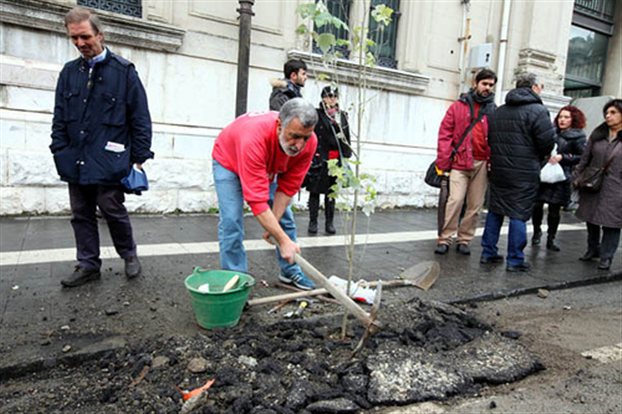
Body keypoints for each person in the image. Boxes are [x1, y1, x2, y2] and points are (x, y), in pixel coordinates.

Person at [50, 7, 153, 287]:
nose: (80, 43)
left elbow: (140, 118)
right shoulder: (69, 72)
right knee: (80, 213)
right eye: (74, 39)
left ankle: (129, 255)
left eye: (85, 37)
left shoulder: (124, 72)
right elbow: (59, 115)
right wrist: (58, 148)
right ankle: (88, 265)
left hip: (110, 158)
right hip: (76, 157)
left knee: (111, 207)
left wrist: (139, 159)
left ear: (100, 34)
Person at [212, 98, 319, 290]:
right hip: (229, 161)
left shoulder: (309, 144)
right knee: (231, 221)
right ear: (279, 126)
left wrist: (274, 228)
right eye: (294, 136)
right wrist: (283, 240)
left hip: (267, 162)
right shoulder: (254, 137)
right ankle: (236, 279)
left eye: (305, 138)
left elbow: (287, 188)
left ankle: (289, 271)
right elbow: (257, 201)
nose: (299, 145)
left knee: (285, 219)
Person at [480, 73, 555, 272]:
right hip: (524, 172)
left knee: (495, 211)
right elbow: (546, 142)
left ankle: (488, 253)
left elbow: (492, 139)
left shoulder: (499, 111)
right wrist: (539, 158)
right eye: (541, 86)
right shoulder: (538, 111)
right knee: (518, 214)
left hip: (499, 170)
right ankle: (515, 259)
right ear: (534, 87)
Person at [434, 69, 497, 255]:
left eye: (491, 85)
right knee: (455, 200)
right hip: (459, 162)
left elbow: (495, 137)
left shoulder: (493, 110)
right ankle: (445, 237)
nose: (488, 88)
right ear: (475, 83)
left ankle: (465, 239)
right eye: (485, 83)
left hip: (482, 162)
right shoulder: (457, 106)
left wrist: (493, 160)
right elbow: (444, 134)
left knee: (475, 205)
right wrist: (444, 161)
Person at [574, 99, 622, 271]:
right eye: (607, 113)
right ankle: (592, 249)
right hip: (593, 183)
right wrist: (577, 177)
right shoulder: (598, 134)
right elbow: (584, 158)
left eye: (613, 113)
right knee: (591, 218)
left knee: (612, 223)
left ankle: (606, 256)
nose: (608, 116)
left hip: (617, 187)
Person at [532, 106, 587, 251]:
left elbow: (583, 156)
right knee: (536, 205)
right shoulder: (550, 132)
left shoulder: (578, 137)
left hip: (561, 176)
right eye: (561, 117)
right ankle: (536, 232)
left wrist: (564, 157)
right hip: (544, 172)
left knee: (554, 210)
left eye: (566, 117)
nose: (562, 120)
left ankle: (551, 238)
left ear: (573, 119)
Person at [303, 86, 352, 235]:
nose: (332, 99)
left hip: (335, 159)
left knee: (331, 193)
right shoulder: (316, 114)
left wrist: (346, 153)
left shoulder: (341, 115)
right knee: (315, 191)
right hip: (319, 158)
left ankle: (329, 223)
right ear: (323, 98)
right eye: (329, 96)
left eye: (335, 96)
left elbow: (346, 136)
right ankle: (313, 222)